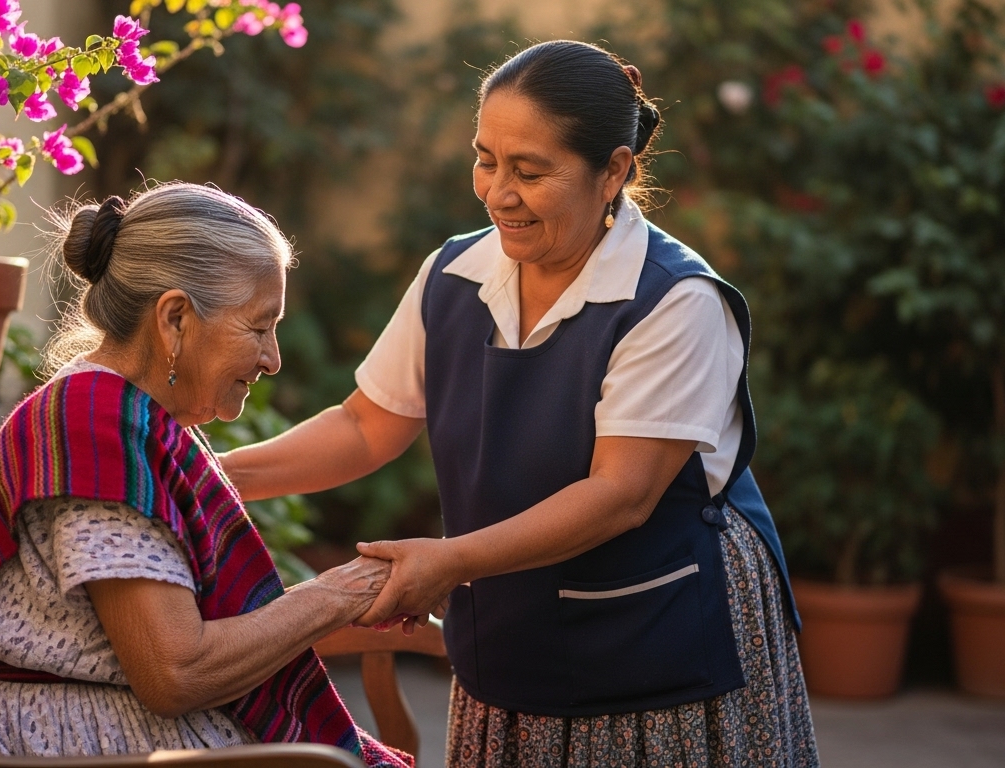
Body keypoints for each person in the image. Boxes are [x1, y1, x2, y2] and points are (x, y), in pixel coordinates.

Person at [220, 41, 820, 766]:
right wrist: (214, 477)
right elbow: (366, 424)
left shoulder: (674, 301)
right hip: (513, 612)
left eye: (529, 171)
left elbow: (620, 495)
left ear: (614, 173)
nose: (497, 191)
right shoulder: (453, 276)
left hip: (656, 632)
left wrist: (448, 560)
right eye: (485, 160)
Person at [0, 183, 410, 768]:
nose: (273, 358)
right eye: (258, 327)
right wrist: (341, 592)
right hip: (53, 744)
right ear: (174, 318)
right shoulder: (94, 427)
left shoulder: (125, 416)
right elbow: (175, 671)